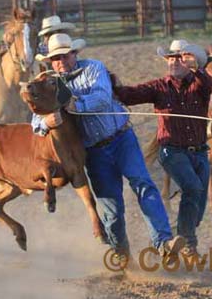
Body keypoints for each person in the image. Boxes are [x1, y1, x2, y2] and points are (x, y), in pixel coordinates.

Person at [31, 33, 185, 261]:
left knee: (143, 184)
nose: (60, 61)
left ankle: (163, 242)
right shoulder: (47, 83)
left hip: (121, 138)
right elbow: (34, 119)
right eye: (55, 58)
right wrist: (45, 122)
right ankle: (122, 254)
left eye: (64, 55)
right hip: (93, 152)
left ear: (75, 54)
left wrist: (75, 104)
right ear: (50, 61)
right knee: (112, 209)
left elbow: (102, 98)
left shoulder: (93, 68)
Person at [113, 40, 212, 257]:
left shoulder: (200, 85)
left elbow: (207, 83)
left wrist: (197, 67)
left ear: (189, 62)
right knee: (193, 188)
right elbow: (130, 94)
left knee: (198, 208)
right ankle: (188, 245)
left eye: (179, 58)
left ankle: (182, 237)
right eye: (170, 58)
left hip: (200, 152)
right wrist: (111, 84)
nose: (174, 62)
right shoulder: (158, 87)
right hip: (172, 152)